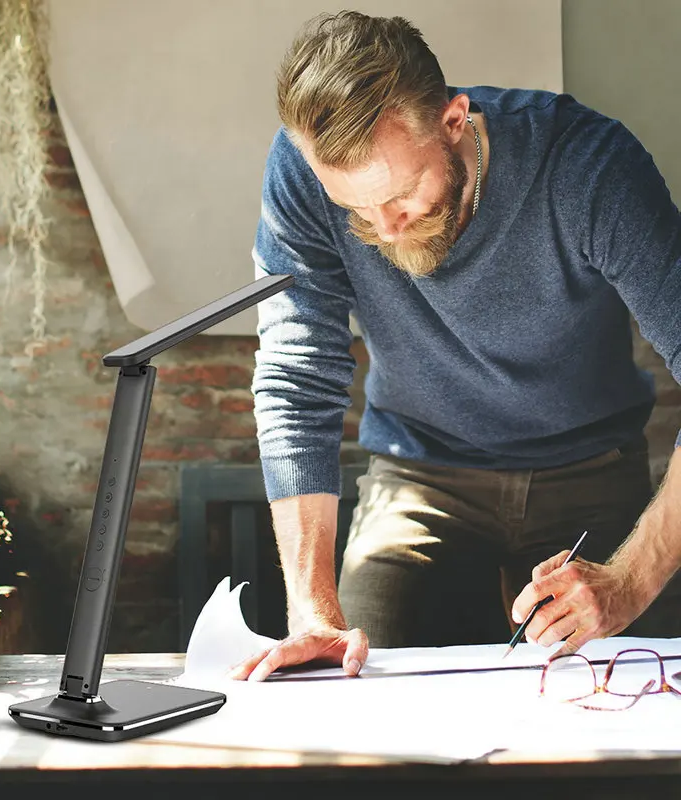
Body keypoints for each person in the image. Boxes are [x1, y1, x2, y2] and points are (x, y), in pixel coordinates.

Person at [228, 11, 681, 682]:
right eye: (354, 208)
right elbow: (297, 380)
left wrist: (630, 580)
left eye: (403, 193)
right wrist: (311, 611)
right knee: (356, 690)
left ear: (454, 120)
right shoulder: (299, 174)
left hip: (589, 468)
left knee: (629, 700)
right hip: (420, 477)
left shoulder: (588, 167)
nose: (381, 228)